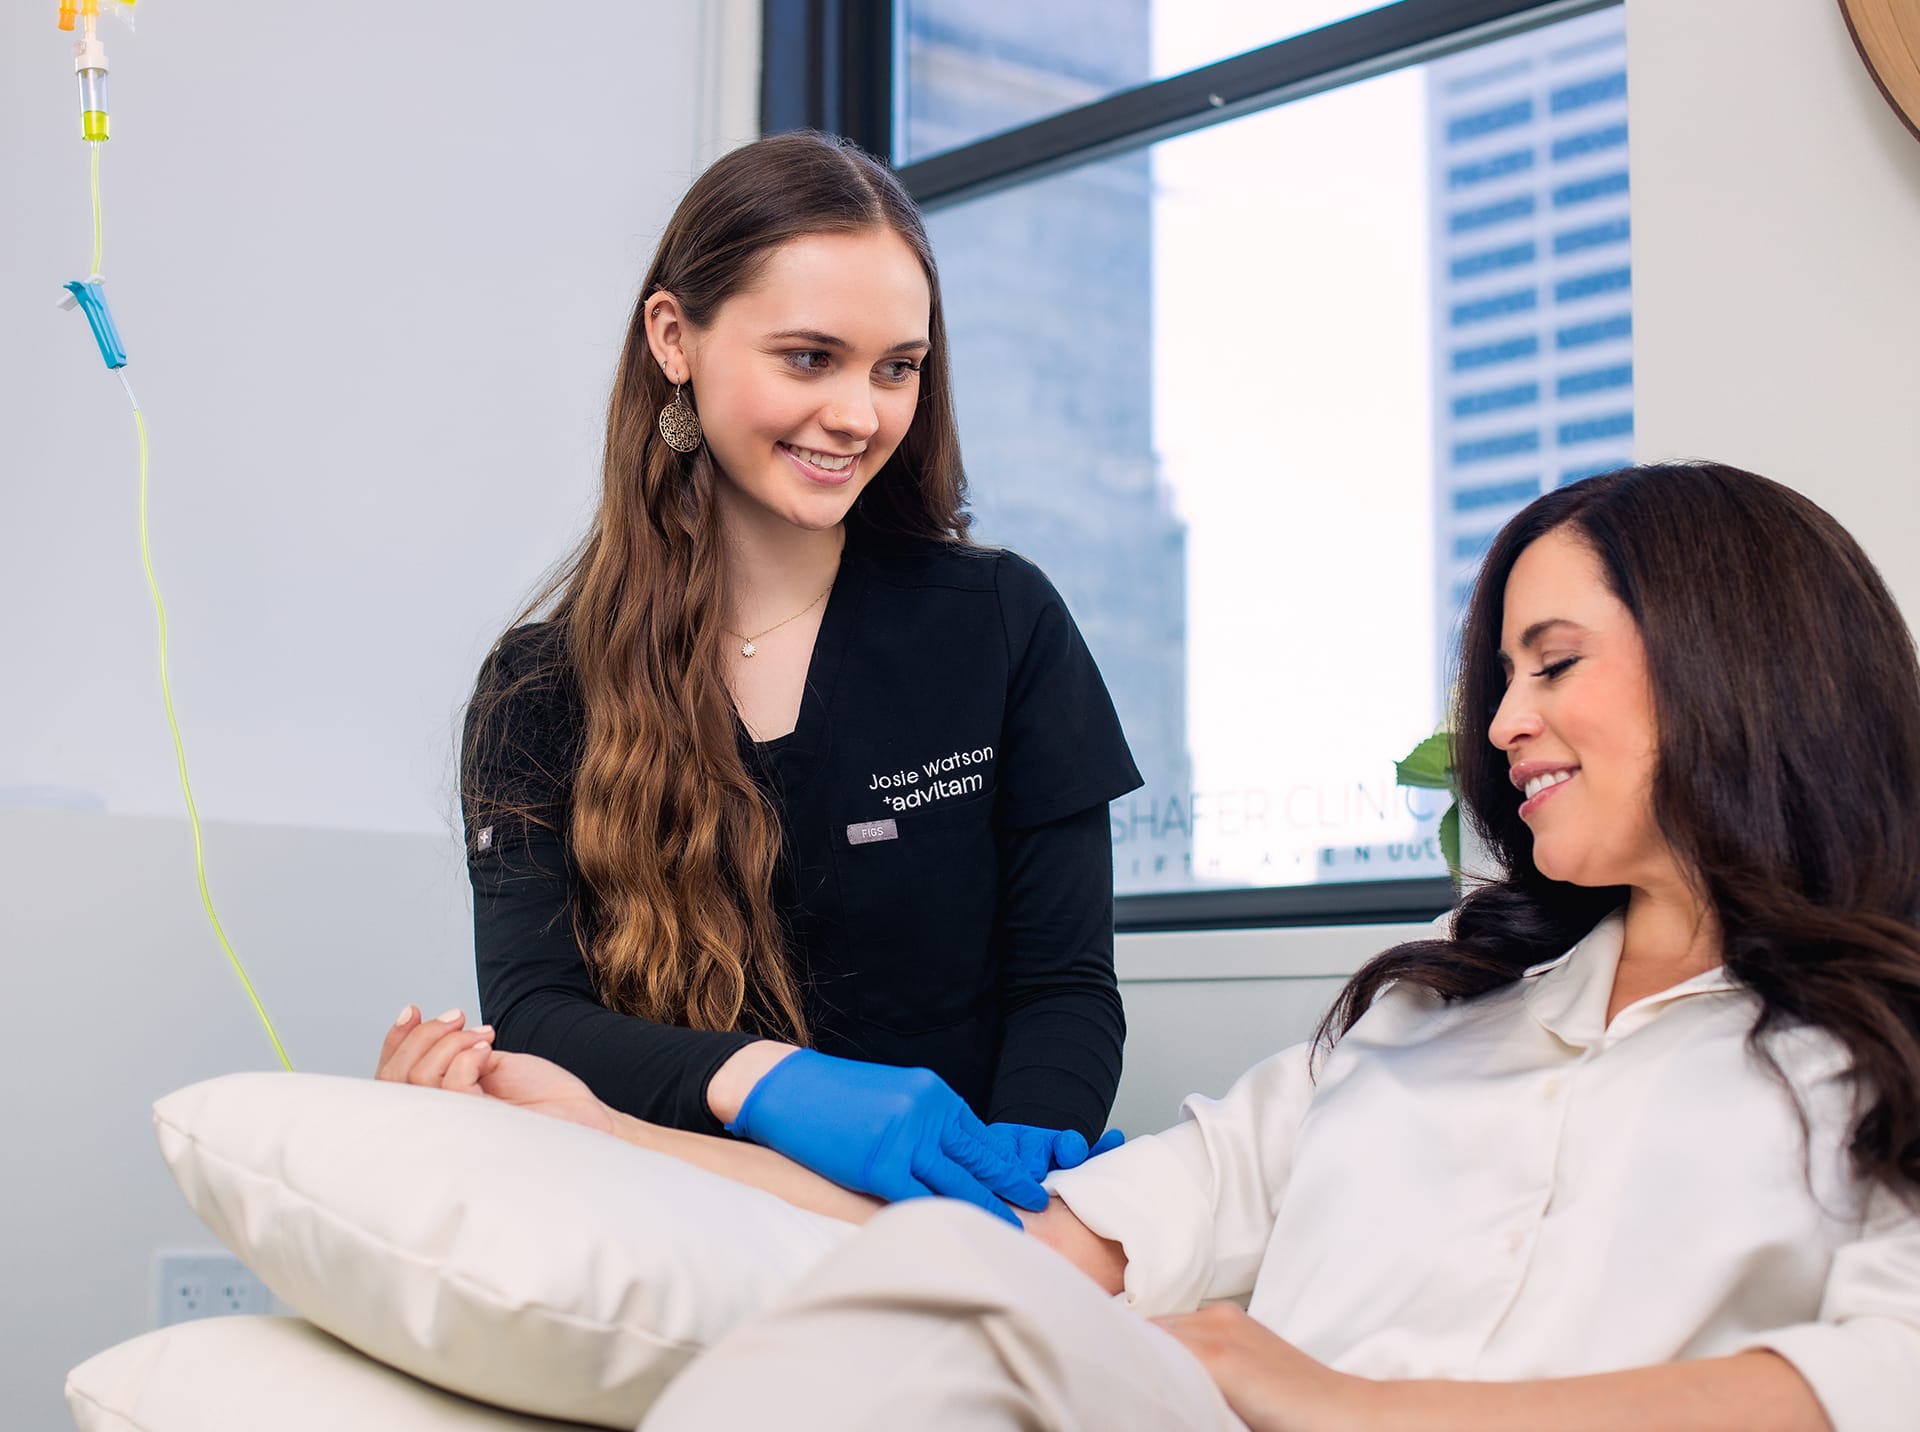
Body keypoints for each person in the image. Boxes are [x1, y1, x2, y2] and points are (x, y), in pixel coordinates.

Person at [392, 462, 1920, 1431]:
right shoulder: (1414, 1030)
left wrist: (1334, 1406)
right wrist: (599, 1134)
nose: (1504, 722)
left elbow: (1879, 1381)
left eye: (1555, 663)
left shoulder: (1883, 1052)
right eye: (1499, 674)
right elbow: (1003, 1251)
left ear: (1747, 662)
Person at [378, 131, 1140, 1224]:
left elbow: (1064, 984)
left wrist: (1029, 1162)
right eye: (809, 357)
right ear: (675, 338)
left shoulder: (1003, 622)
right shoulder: (539, 689)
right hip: (676, 1215)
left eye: (898, 368)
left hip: (961, 1227)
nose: (860, 413)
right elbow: (537, 1015)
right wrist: (762, 1080)